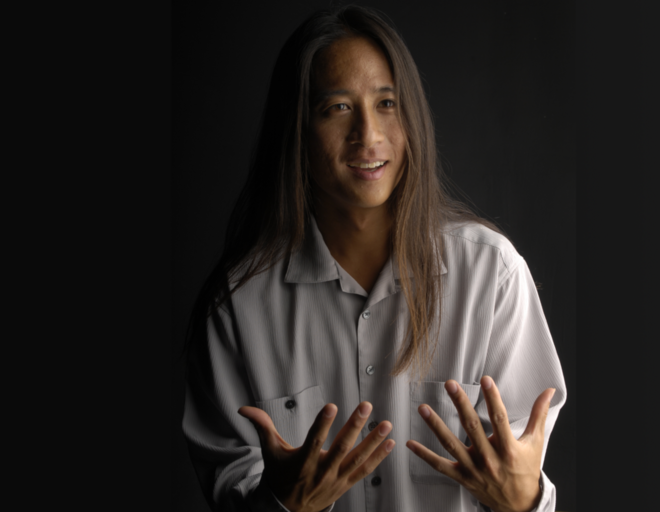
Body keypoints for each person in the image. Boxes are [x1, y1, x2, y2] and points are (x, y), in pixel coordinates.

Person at [182, 5, 567, 512]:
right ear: (296, 128)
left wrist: (528, 500)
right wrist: (279, 504)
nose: (369, 134)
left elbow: (522, 478)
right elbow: (230, 483)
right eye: (337, 108)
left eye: (386, 103)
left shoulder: (492, 276)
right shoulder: (237, 305)